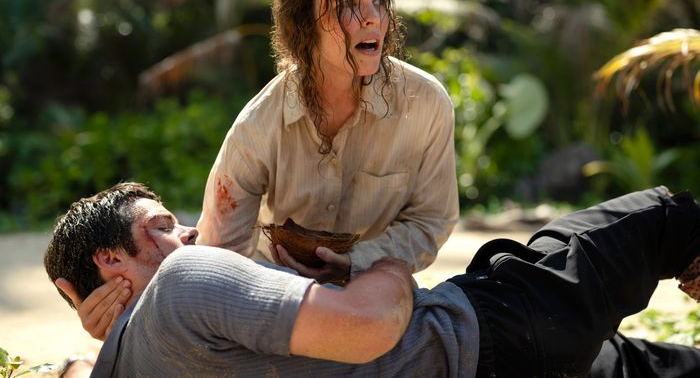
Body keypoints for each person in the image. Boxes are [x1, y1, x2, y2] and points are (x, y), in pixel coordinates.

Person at [46, 182, 700, 377]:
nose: (191, 232)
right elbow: (370, 326)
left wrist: (89, 353)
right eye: (163, 225)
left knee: (637, 365)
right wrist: (384, 261)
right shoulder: (184, 281)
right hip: (489, 338)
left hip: (503, 355)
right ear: (111, 262)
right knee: (668, 220)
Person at [195, 0, 459, 284]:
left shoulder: (425, 103)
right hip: (274, 290)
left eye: (380, 1)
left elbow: (430, 220)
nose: (373, 19)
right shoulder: (259, 124)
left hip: (371, 288)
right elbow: (219, 250)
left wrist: (356, 262)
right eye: (349, 3)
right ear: (304, 21)